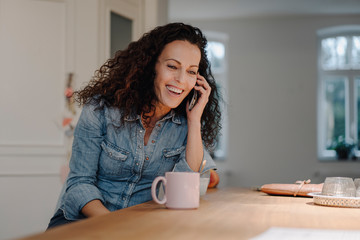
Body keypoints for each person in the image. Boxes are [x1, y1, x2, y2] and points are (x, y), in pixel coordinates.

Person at [47, 22, 222, 229]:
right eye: (172, 66)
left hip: (139, 227)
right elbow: (79, 184)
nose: (181, 80)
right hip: (82, 223)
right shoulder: (100, 109)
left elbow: (185, 187)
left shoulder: (185, 123)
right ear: (151, 66)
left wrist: (194, 122)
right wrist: (118, 226)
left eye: (191, 72)